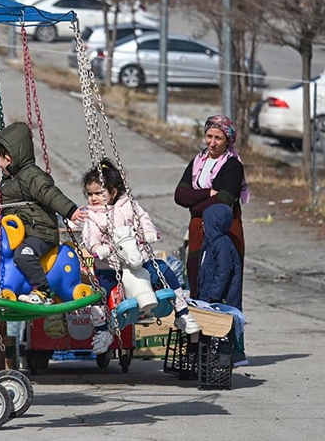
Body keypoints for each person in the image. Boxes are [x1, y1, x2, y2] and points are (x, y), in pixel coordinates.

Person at [80, 159, 201, 354]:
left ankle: (182, 313)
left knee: (164, 271)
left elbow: (143, 220)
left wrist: (149, 232)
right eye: (90, 194)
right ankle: (102, 330)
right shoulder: (93, 216)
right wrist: (96, 247)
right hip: (110, 266)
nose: (93, 198)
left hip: (139, 262)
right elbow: (89, 236)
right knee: (98, 292)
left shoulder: (129, 205)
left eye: (98, 193)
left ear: (112, 192)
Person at [0, 122, 88, 304]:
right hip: (23, 233)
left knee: (23, 255)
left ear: (9, 158)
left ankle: (43, 291)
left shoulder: (32, 177)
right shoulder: (9, 181)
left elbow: (50, 194)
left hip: (40, 233)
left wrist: (70, 210)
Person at [174, 114, 248, 299]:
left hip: (224, 229)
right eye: (209, 136)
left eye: (218, 138)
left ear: (228, 140)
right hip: (198, 229)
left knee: (223, 274)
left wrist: (195, 206)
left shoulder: (233, 166)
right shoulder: (198, 161)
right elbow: (180, 195)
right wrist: (208, 193)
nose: (212, 143)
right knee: (196, 275)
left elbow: (225, 199)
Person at [198, 203, 247, 366]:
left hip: (224, 299)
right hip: (211, 296)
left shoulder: (222, 245)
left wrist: (214, 295)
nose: (203, 225)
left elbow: (223, 272)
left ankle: (233, 357)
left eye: (206, 221)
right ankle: (218, 357)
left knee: (226, 329)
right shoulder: (210, 243)